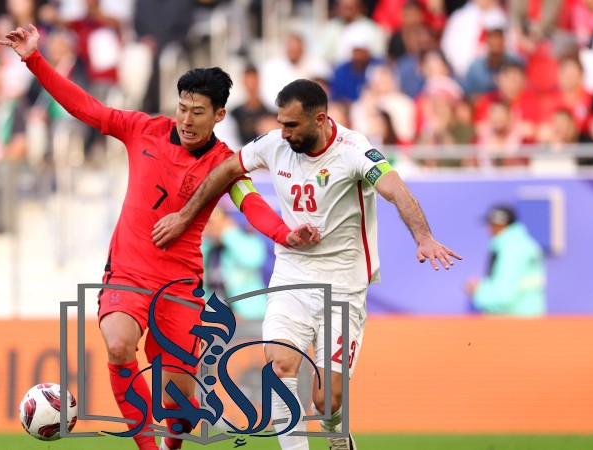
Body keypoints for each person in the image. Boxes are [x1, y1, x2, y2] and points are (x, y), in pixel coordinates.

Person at [0, 25, 318, 450]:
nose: (186, 119)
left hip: (180, 287)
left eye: (198, 111)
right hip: (128, 273)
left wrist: (284, 232)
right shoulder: (142, 129)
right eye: (182, 107)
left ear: (219, 115)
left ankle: (173, 436)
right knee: (118, 345)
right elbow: (85, 107)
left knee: (178, 408)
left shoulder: (224, 163)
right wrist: (34, 59)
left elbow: (251, 203)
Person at [152, 79, 462, 450]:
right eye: (281, 123)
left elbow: (396, 189)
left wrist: (423, 237)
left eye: (292, 125)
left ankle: (336, 432)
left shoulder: (354, 151)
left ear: (320, 119)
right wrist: (185, 215)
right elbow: (225, 170)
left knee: (327, 401)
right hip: (292, 277)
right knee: (279, 367)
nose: (283, 133)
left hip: (343, 287)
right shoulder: (274, 143)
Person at [465, 205, 546, 316]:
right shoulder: (526, 244)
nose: (488, 229)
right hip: (529, 317)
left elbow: (503, 296)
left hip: (514, 320)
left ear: (499, 225)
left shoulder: (511, 249)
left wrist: (478, 292)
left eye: (490, 224)